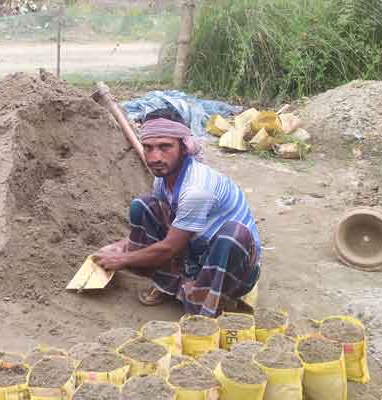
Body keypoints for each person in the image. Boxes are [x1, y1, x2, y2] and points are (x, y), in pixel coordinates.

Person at [94, 117, 261, 317]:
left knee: (231, 236)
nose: (155, 157)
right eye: (148, 147)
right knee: (144, 207)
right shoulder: (165, 179)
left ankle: (213, 301)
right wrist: (120, 246)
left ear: (184, 148)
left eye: (165, 147)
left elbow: (169, 247)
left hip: (232, 265)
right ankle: (169, 285)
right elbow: (168, 227)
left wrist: (122, 259)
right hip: (197, 251)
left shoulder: (196, 189)